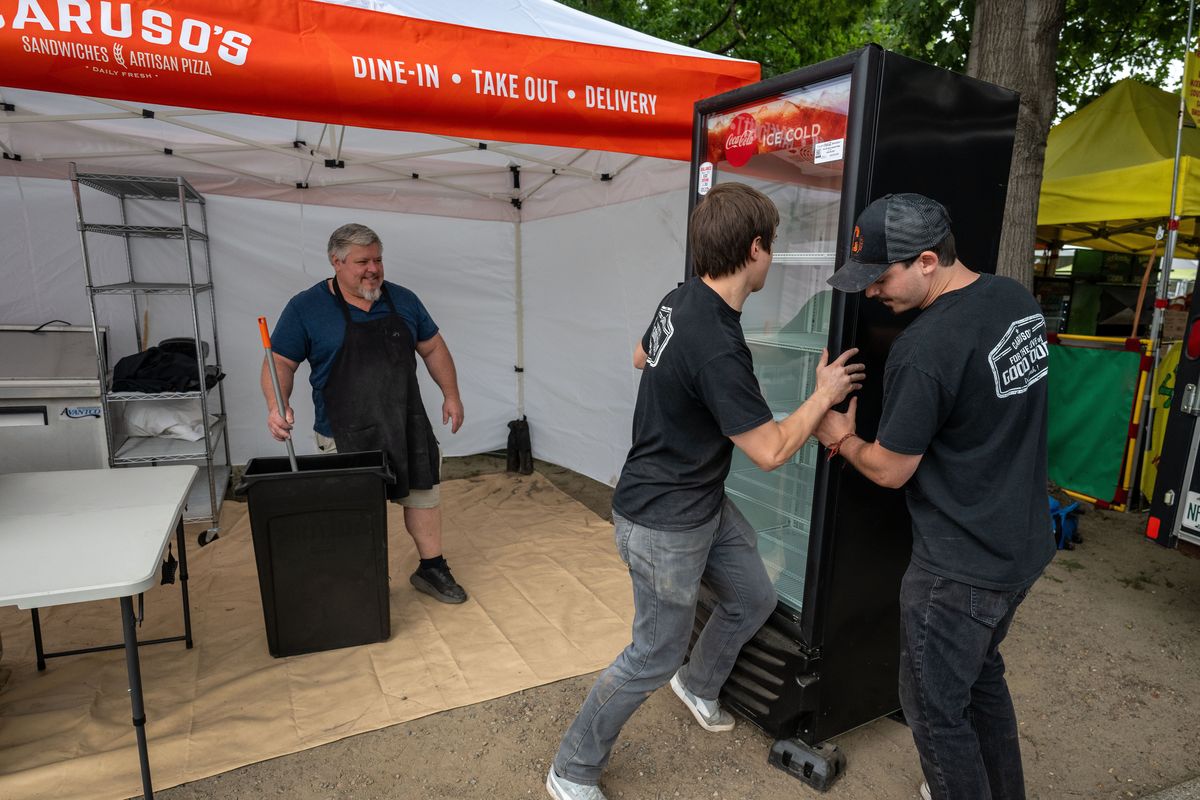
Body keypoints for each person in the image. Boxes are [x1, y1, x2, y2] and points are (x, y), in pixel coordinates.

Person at [546, 183, 865, 800]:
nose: (772, 259)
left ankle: (698, 683)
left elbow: (641, 356)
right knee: (649, 654)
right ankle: (572, 768)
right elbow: (771, 451)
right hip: (663, 523)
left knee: (754, 596)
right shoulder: (717, 343)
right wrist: (823, 396)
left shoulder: (682, 298)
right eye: (771, 247)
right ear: (754, 250)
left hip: (698, 504)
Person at [818, 193, 1054, 800]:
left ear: (928, 260)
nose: (871, 294)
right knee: (980, 682)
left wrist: (841, 437)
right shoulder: (1014, 300)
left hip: (959, 568)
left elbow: (892, 470)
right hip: (1022, 546)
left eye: (881, 278)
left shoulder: (923, 348)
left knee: (933, 713)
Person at [262, 222, 468, 604]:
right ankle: (360, 578)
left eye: (377, 259)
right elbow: (280, 363)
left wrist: (451, 395)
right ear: (336, 262)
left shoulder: (403, 300)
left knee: (424, 497)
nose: (373, 269)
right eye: (362, 262)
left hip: (407, 423)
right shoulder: (306, 307)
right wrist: (278, 404)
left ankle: (432, 567)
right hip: (345, 431)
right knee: (354, 511)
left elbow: (434, 348)